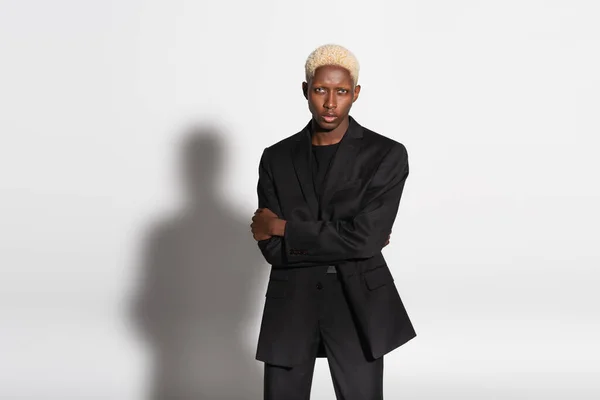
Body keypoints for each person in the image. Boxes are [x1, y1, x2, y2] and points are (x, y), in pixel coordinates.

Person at [251, 43, 416, 400]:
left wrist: (286, 227)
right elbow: (273, 250)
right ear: (305, 90)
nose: (330, 102)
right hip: (290, 299)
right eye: (321, 90)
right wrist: (345, 237)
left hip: (356, 301)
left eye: (341, 91)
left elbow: (365, 239)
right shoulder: (276, 158)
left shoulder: (386, 155)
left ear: (355, 93)